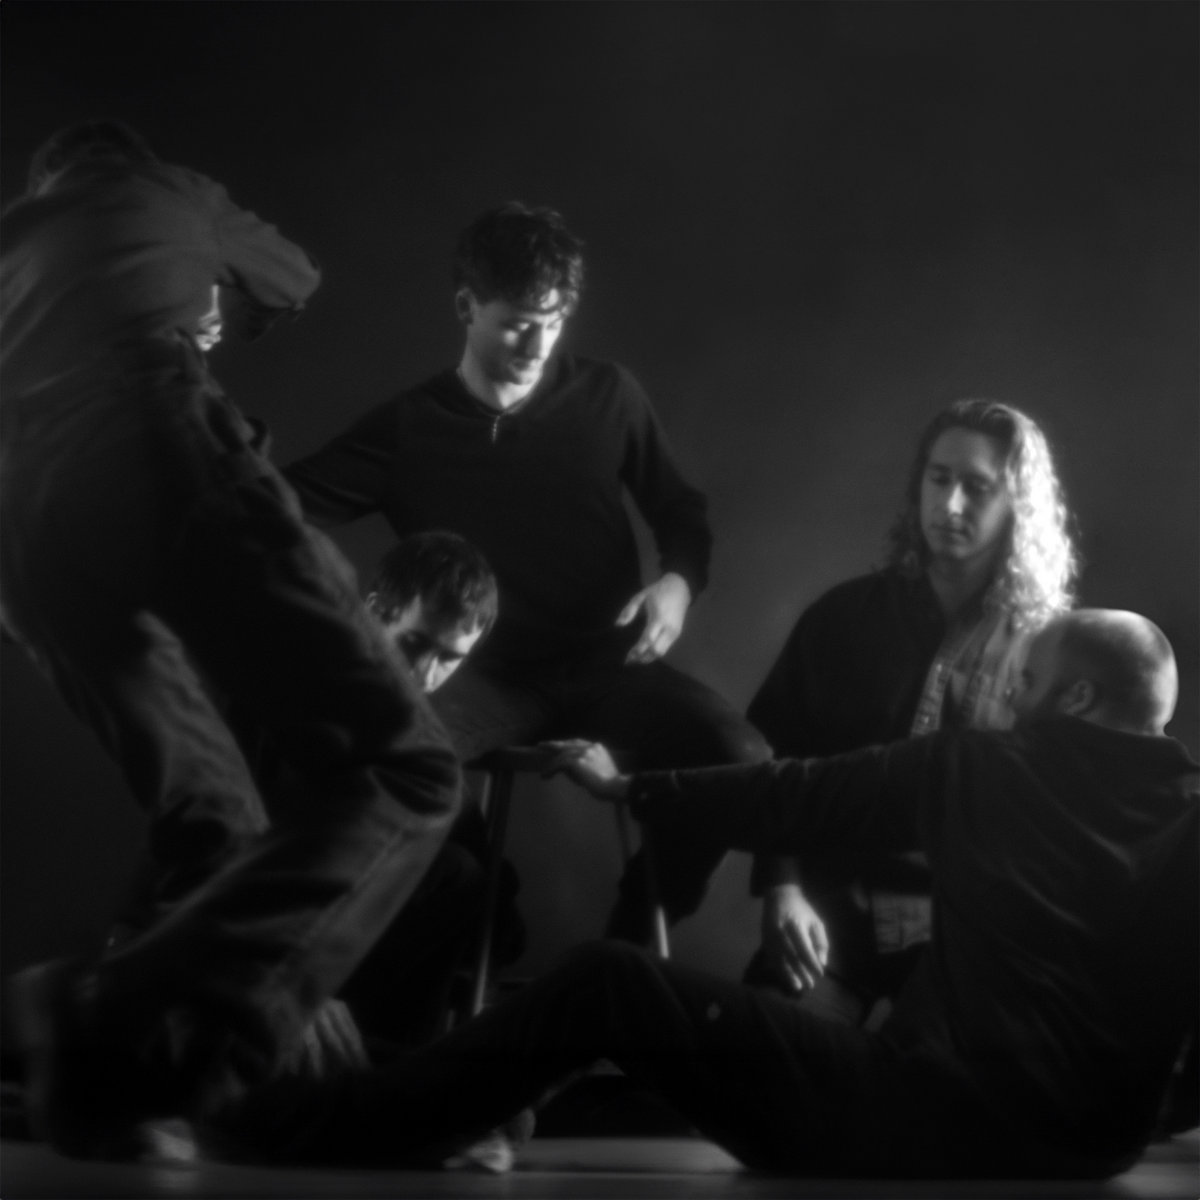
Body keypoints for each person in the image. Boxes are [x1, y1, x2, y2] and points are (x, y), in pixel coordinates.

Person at [224, 608, 1194, 1180]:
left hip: (926, 1125)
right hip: (1090, 1150)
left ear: (1076, 699)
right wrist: (1140, 1118)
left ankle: (306, 1123)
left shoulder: (983, 766)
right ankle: (414, 1088)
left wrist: (634, 788)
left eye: (1030, 682)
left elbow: (794, 795)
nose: (1012, 699)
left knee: (610, 981)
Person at [1, 121, 461, 1159]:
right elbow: (292, 276)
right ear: (120, 160)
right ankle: (106, 1030)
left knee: (215, 821)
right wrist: (216, 304)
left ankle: (161, 1087)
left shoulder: (15, 240)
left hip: (18, 523)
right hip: (143, 430)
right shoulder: (164, 189)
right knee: (406, 769)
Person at [283, 201, 770, 943]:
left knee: (741, 757)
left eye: (555, 320)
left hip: (610, 667)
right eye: (517, 323)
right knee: (388, 759)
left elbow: (680, 511)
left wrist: (678, 583)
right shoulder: (407, 429)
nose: (538, 344)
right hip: (484, 677)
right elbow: (276, 509)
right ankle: (483, 912)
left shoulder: (608, 394)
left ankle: (629, 946)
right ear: (466, 307)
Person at [744, 398, 1078, 1023]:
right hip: (833, 916)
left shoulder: (1048, 651)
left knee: (958, 1078)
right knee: (767, 1060)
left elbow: (1057, 819)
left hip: (968, 935)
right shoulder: (843, 617)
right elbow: (775, 759)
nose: (949, 505)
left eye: (977, 487)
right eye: (939, 478)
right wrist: (782, 889)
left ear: (1018, 506)